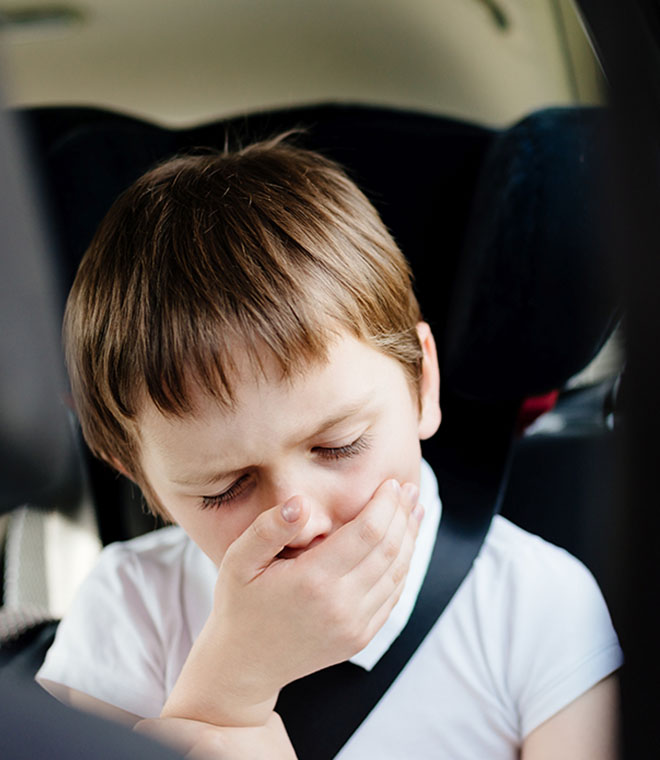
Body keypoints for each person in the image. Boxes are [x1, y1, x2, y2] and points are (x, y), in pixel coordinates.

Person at [36, 137, 622, 759]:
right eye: (223, 488)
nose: (299, 518)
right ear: (142, 482)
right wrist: (228, 690)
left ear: (422, 385)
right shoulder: (129, 610)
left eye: (340, 445)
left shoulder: (539, 609)